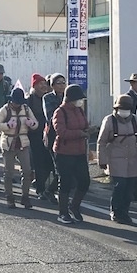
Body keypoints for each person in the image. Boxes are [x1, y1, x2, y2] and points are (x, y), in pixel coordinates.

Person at [97, 94, 137, 225]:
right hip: (116, 160)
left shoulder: (135, 120)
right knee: (120, 186)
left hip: (132, 160)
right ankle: (116, 211)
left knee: (129, 189)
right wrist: (102, 160)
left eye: (127, 109)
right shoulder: (109, 121)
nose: (125, 111)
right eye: (122, 108)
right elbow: (101, 142)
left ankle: (125, 212)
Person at [0, 87, 38, 209]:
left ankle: (25, 196)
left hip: (23, 142)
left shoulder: (26, 109)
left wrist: (31, 123)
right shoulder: (5, 110)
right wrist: (7, 125)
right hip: (8, 142)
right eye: (16, 101)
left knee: (27, 171)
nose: (18, 104)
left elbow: (36, 124)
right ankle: (9, 197)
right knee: (8, 172)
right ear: (11, 100)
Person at [52, 84, 90, 224]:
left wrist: (88, 130)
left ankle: (74, 206)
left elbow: (84, 124)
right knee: (65, 182)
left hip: (80, 151)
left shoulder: (79, 110)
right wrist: (80, 133)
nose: (80, 101)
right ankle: (62, 213)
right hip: (64, 152)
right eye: (78, 99)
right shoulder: (60, 112)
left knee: (84, 181)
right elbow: (61, 132)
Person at [26, 73, 57, 204]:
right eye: (40, 84)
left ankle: (42, 185)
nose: (44, 86)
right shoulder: (30, 100)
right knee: (39, 163)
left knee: (50, 163)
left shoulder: (49, 99)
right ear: (34, 86)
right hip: (34, 136)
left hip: (48, 135)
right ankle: (40, 190)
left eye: (45, 84)